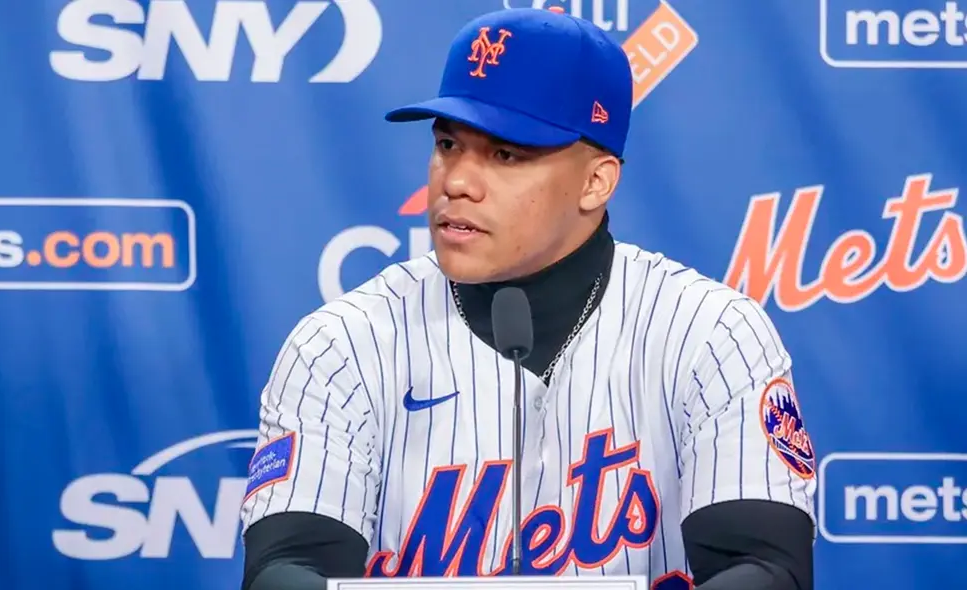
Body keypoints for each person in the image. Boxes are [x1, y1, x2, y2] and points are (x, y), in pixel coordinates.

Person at [239, 6, 816, 590]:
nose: (456, 180)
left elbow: (766, 570)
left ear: (596, 181)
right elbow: (285, 570)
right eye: (447, 144)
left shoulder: (710, 334)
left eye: (505, 154)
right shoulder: (342, 343)